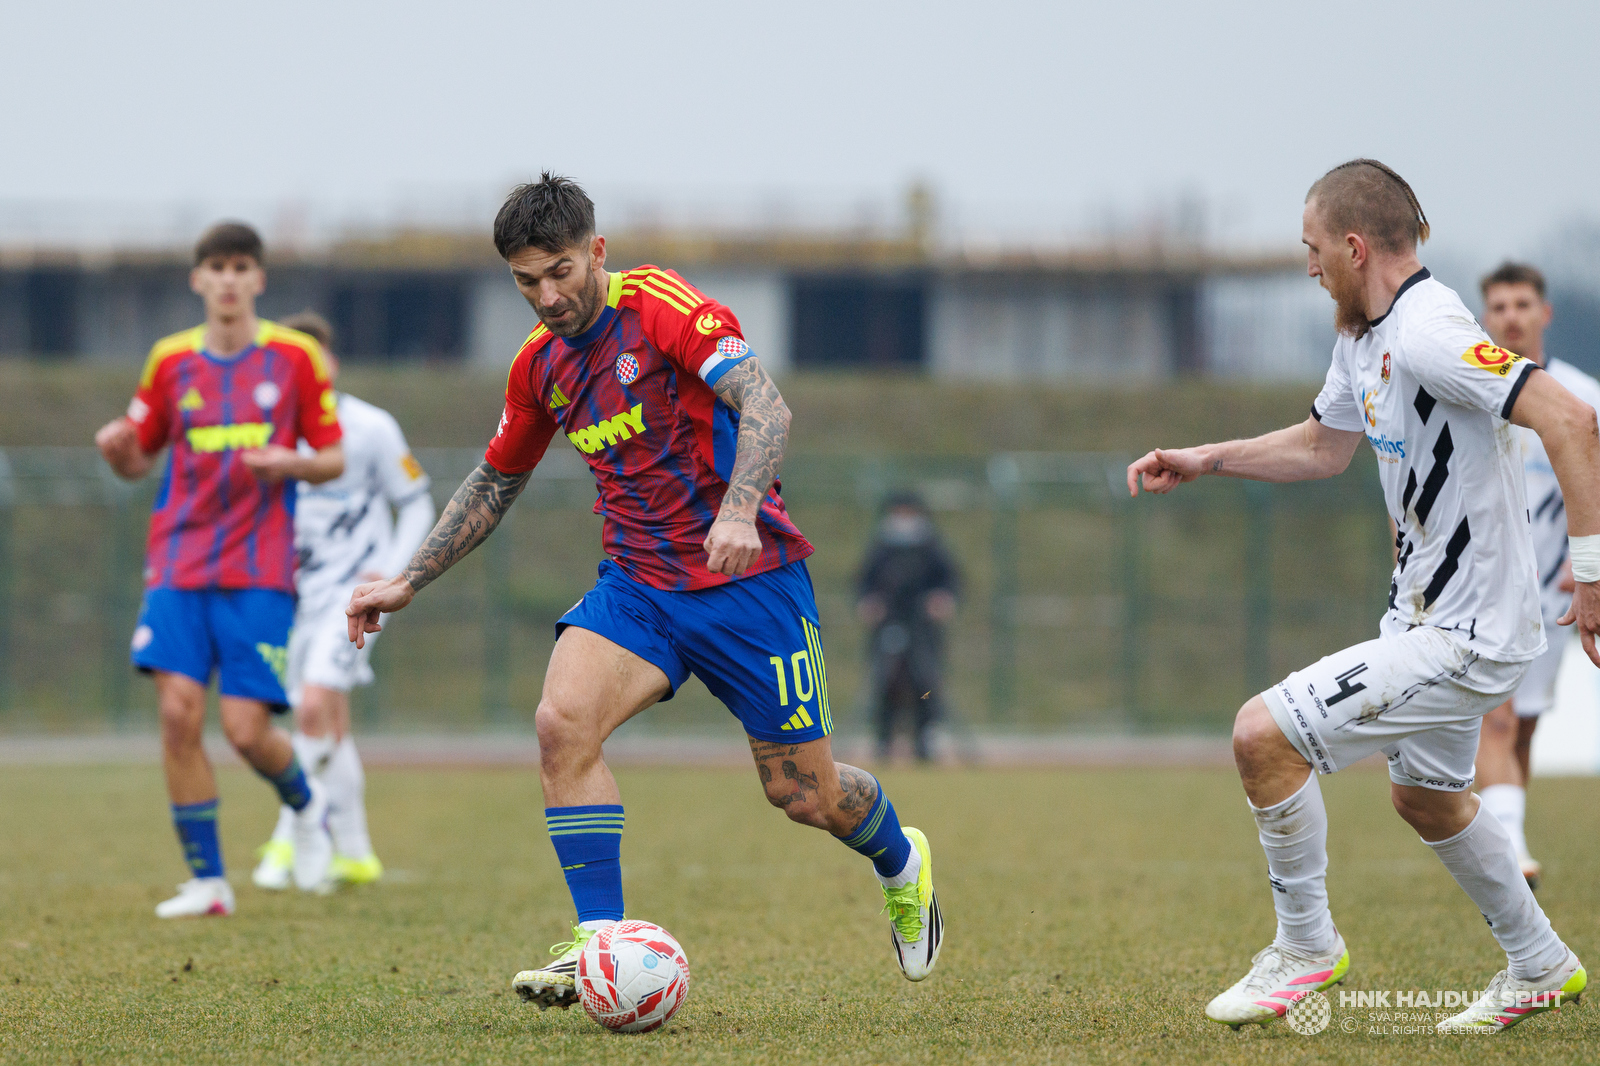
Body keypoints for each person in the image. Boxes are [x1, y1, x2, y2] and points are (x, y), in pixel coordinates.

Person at [345, 173, 942, 1007]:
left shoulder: (663, 308)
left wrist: (738, 511)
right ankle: (601, 945)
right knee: (562, 723)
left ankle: (901, 862)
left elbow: (765, 405)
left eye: (559, 271)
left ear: (595, 251)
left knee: (805, 795)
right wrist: (408, 578)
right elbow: (495, 480)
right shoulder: (539, 365)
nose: (546, 296)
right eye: (525, 282)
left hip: (749, 582)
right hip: (638, 585)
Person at [1128, 159, 1593, 1033]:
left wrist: (1593, 572)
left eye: (1311, 249)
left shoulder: (1431, 332)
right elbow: (1321, 446)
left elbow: (1571, 419)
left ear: (1351, 246)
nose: (1307, 267)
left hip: (1466, 633)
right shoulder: (1363, 337)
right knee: (1424, 797)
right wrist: (1206, 458)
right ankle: (1539, 963)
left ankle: (1306, 948)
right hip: (1423, 617)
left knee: (1261, 737)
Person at [93, 222, 344, 917]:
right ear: (198, 280)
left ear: (258, 280)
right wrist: (117, 449)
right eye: (216, 267)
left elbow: (332, 457)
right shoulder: (169, 361)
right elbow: (138, 456)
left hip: (259, 570)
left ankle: (307, 805)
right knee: (178, 714)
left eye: (240, 267)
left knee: (244, 731)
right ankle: (208, 882)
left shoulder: (294, 358)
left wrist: (288, 462)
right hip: (177, 561)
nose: (228, 279)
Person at [250, 311, 435, 892]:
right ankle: (354, 851)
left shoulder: (370, 426)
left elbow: (418, 503)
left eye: (313, 353)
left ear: (329, 360)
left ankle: (291, 833)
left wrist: (392, 572)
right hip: (288, 598)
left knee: (310, 709)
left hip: (352, 598)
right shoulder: (265, 430)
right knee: (328, 721)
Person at [1472, 263, 1600, 892]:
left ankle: (1501, 841)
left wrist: (1591, 571)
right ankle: (1514, 854)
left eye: (1523, 303)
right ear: (1485, 318)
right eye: (1498, 306)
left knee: (1522, 724)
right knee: (1493, 719)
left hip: (1556, 594)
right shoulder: (1469, 393)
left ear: (1544, 313)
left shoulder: (1580, 400)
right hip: (1483, 590)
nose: (1511, 316)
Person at [856, 492, 959, 762]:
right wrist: (869, 603)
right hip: (888, 626)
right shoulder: (880, 548)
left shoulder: (932, 548)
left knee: (924, 684)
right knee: (886, 681)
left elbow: (949, 582)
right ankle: (884, 740)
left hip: (923, 628)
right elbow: (863, 582)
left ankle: (925, 738)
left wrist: (942, 601)